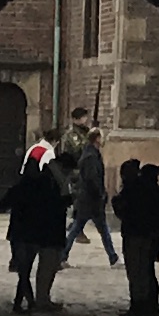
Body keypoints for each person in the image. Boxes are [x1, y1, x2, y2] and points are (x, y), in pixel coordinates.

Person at [4, 134, 68, 315]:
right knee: (25, 270)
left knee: (23, 271)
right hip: (31, 233)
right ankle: (27, 302)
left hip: (19, 232)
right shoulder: (42, 187)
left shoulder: (20, 188)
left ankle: (25, 303)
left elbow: (2, 205)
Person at [115, 157, 159, 316]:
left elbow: (124, 210)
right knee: (146, 270)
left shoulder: (135, 191)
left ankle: (139, 305)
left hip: (135, 234)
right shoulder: (158, 192)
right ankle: (148, 305)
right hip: (151, 235)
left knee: (137, 271)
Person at [62, 114, 116, 267]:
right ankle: (62, 255)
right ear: (96, 139)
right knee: (81, 228)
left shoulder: (91, 154)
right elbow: (92, 179)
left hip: (89, 199)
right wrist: (100, 194)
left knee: (91, 229)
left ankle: (113, 257)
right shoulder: (91, 156)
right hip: (90, 200)